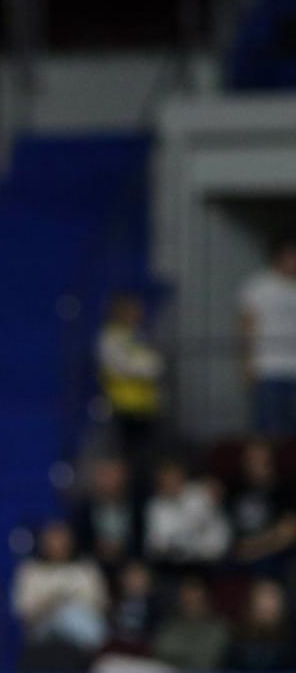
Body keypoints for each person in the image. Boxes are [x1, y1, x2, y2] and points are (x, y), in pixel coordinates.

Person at [11, 521, 109, 671]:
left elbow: (100, 604)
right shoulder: (31, 570)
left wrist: (70, 602)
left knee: (73, 613)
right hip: (43, 629)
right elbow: (23, 611)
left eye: (62, 539)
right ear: (43, 542)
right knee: (65, 613)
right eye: (53, 539)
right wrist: (53, 601)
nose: (57, 544)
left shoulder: (86, 568)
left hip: (81, 632)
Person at [239, 232, 296, 433]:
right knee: (266, 430)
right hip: (268, 368)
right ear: (280, 256)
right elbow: (247, 325)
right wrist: (247, 362)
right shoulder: (259, 287)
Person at [96, 294, 163, 459]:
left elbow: (156, 365)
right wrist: (144, 365)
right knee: (126, 454)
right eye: (133, 310)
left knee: (145, 454)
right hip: (122, 406)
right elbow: (126, 366)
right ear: (120, 312)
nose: (138, 314)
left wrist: (145, 364)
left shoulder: (137, 335)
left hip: (144, 406)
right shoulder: (110, 338)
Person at [143, 458, 230, 568]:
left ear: (182, 477)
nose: (171, 483)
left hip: (210, 561)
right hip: (172, 565)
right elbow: (156, 545)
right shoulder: (155, 507)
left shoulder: (201, 495)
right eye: (167, 479)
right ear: (160, 482)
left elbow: (217, 531)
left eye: (175, 477)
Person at [228, 437, 296, 576]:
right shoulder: (233, 488)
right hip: (235, 557)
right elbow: (225, 533)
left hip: (275, 557)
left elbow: (288, 533)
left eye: (260, 459)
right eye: (251, 459)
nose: (255, 464)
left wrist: (253, 550)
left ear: (271, 461)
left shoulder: (285, 489)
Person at [72, 457, 139, 574]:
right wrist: (98, 547)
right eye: (104, 475)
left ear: (124, 476)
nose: (109, 480)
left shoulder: (137, 505)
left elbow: (140, 539)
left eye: (114, 474)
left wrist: (123, 548)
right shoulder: (83, 508)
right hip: (94, 563)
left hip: (129, 562)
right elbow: (79, 541)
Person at [151, 576, 229, 671]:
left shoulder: (217, 627)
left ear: (205, 595)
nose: (188, 597)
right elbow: (158, 650)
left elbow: (205, 661)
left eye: (194, 591)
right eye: (185, 592)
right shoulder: (170, 621)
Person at [225, 579, 296, 671]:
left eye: (272, 597)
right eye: (262, 597)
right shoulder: (235, 639)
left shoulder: (291, 642)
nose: (266, 605)